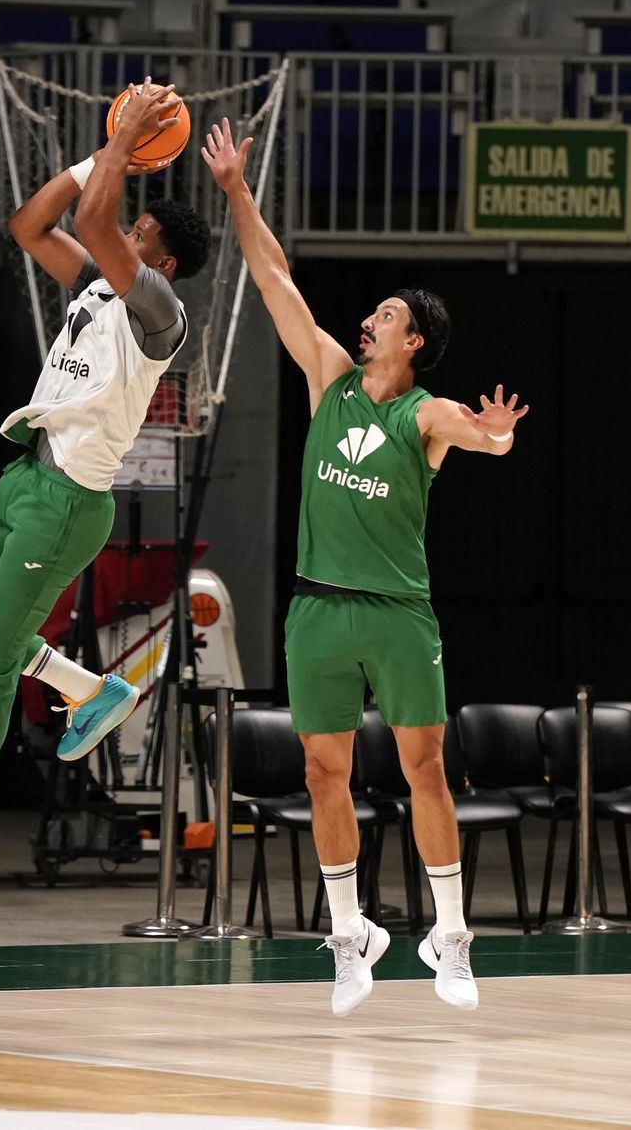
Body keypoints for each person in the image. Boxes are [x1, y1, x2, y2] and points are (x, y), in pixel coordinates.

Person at [202, 118, 529, 1014]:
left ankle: (452, 937)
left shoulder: (423, 413)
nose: (368, 320)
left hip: (396, 613)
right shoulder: (330, 378)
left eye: (385, 316)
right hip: (317, 610)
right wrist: (236, 189)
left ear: (415, 339)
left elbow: (482, 436)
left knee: (425, 766)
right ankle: (352, 936)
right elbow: (274, 280)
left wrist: (496, 437)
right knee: (322, 772)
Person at [0, 82, 212, 888]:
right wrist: (105, 149)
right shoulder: (99, 278)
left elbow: (94, 221)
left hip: (67, 502)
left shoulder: (159, 307)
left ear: (158, 260)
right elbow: (30, 225)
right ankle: (90, 688)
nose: (125, 230)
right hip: (26, 475)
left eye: (141, 232)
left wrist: (126, 140)